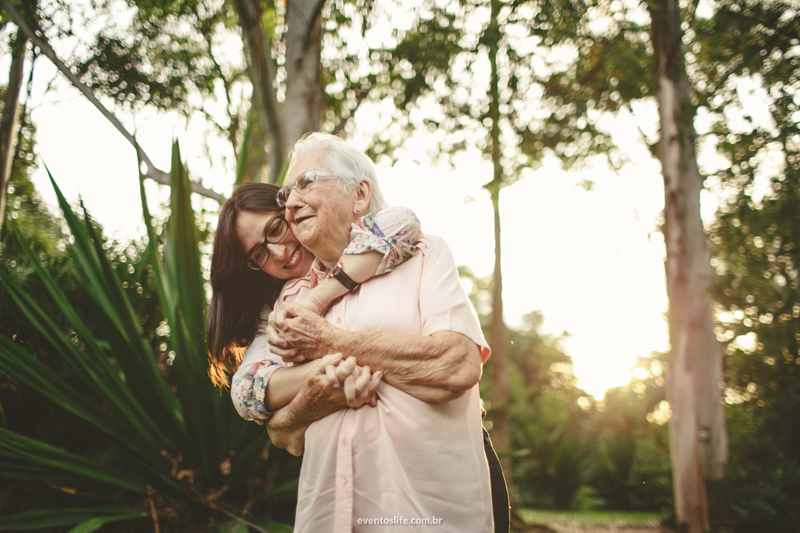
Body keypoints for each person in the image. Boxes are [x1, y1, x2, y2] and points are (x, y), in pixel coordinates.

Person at [233, 132, 505, 532]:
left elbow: (457, 364)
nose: (291, 203)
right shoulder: (289, 300)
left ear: (360, 195)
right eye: (286, 195)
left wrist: (332, 344)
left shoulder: (422, 254)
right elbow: (277, 427)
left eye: (306, 183)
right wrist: (314, 397)